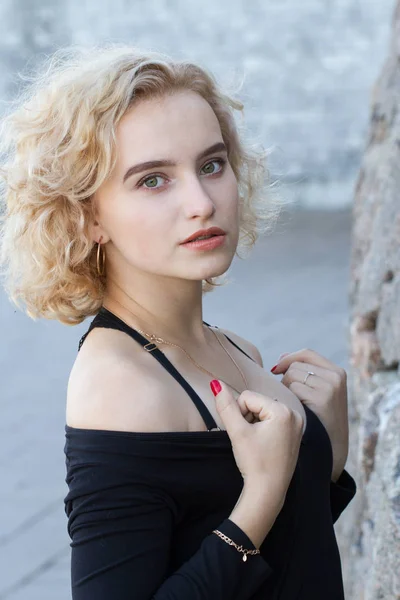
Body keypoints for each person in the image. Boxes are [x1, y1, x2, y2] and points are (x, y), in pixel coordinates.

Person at [0, 44, 356, 599]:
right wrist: (260, 495)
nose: (201, 202)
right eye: (152, 180)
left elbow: (282, 565)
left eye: (211, 165)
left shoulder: (236, 349)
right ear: (88, 215)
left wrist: (326, 461)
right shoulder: (121, 388)